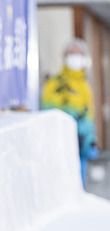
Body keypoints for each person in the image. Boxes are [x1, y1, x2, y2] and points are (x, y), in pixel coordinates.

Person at [41, 38, 98, 186]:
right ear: (64, 57)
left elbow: (89, 116)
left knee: (80, 186)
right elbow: (50, 113)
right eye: (72, 54)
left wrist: (91, 140)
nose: (76, 58)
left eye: (79, 54)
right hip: (62, 146)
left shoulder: (85, 86)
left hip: (82, 146)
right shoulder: (55, 84)